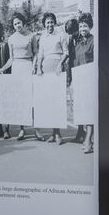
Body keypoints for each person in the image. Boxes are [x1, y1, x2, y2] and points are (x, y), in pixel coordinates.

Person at [0, 12, 44, 141]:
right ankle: (22, 129)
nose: (17, 25)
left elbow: (35, 53)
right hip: (16, 68)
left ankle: (37, 129)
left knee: (32, 100)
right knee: (20, 100)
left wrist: (34, 67)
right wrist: (2, 69)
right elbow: (11, 59)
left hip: (28, 66)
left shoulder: (31, 35)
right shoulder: (11, 38)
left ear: (23, 23)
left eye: (19, 23)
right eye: (15, 24)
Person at [37, 12, 69, 145]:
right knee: (49, 102)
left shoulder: (60, 35)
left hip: (57, 70)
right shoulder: (42, 38)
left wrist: (60, 65)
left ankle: (58, 134)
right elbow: (40, 54)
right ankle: (53, 133)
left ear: (54, 23)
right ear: (44, 24)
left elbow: (66, 53)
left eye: (51, 22)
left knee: (58, 102)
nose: (49, 24)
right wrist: (38, 68)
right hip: (45, 70)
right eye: (47, 22)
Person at [73, 13, 95, 153]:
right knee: (81, 108)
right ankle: (83, 136)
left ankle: (89, 140)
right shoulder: (79, 43)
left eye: (85, 26)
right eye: (81, 26)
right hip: (79, 80)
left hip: (90, 79)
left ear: (90, 27)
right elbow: (75, 62)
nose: (83, 28)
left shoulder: (94, 41)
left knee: (90, 110)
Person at [65, 18, 85, 143]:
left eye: (73, 31)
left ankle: (84, 132)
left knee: (83, 104)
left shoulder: (82, 40)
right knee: (76, 105)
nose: (71, 34)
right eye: (69, 32)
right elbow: (70, 61)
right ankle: (80, 131)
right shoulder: (70, 41)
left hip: (83, 74)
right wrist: (69, 78)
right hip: (73, 74)